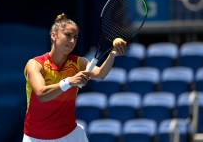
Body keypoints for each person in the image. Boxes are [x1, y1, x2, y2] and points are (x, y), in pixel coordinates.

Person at [22, 13, 127, 142]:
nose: (72, 41)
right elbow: (42, 94)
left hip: (70, 134)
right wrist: (69, 82)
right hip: (37, 137)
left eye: (75, 37)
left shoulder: (78, 63)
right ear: (53, 35)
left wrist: (112, 54)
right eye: (68, 35)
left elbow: (100, 73)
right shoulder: (36, 64)